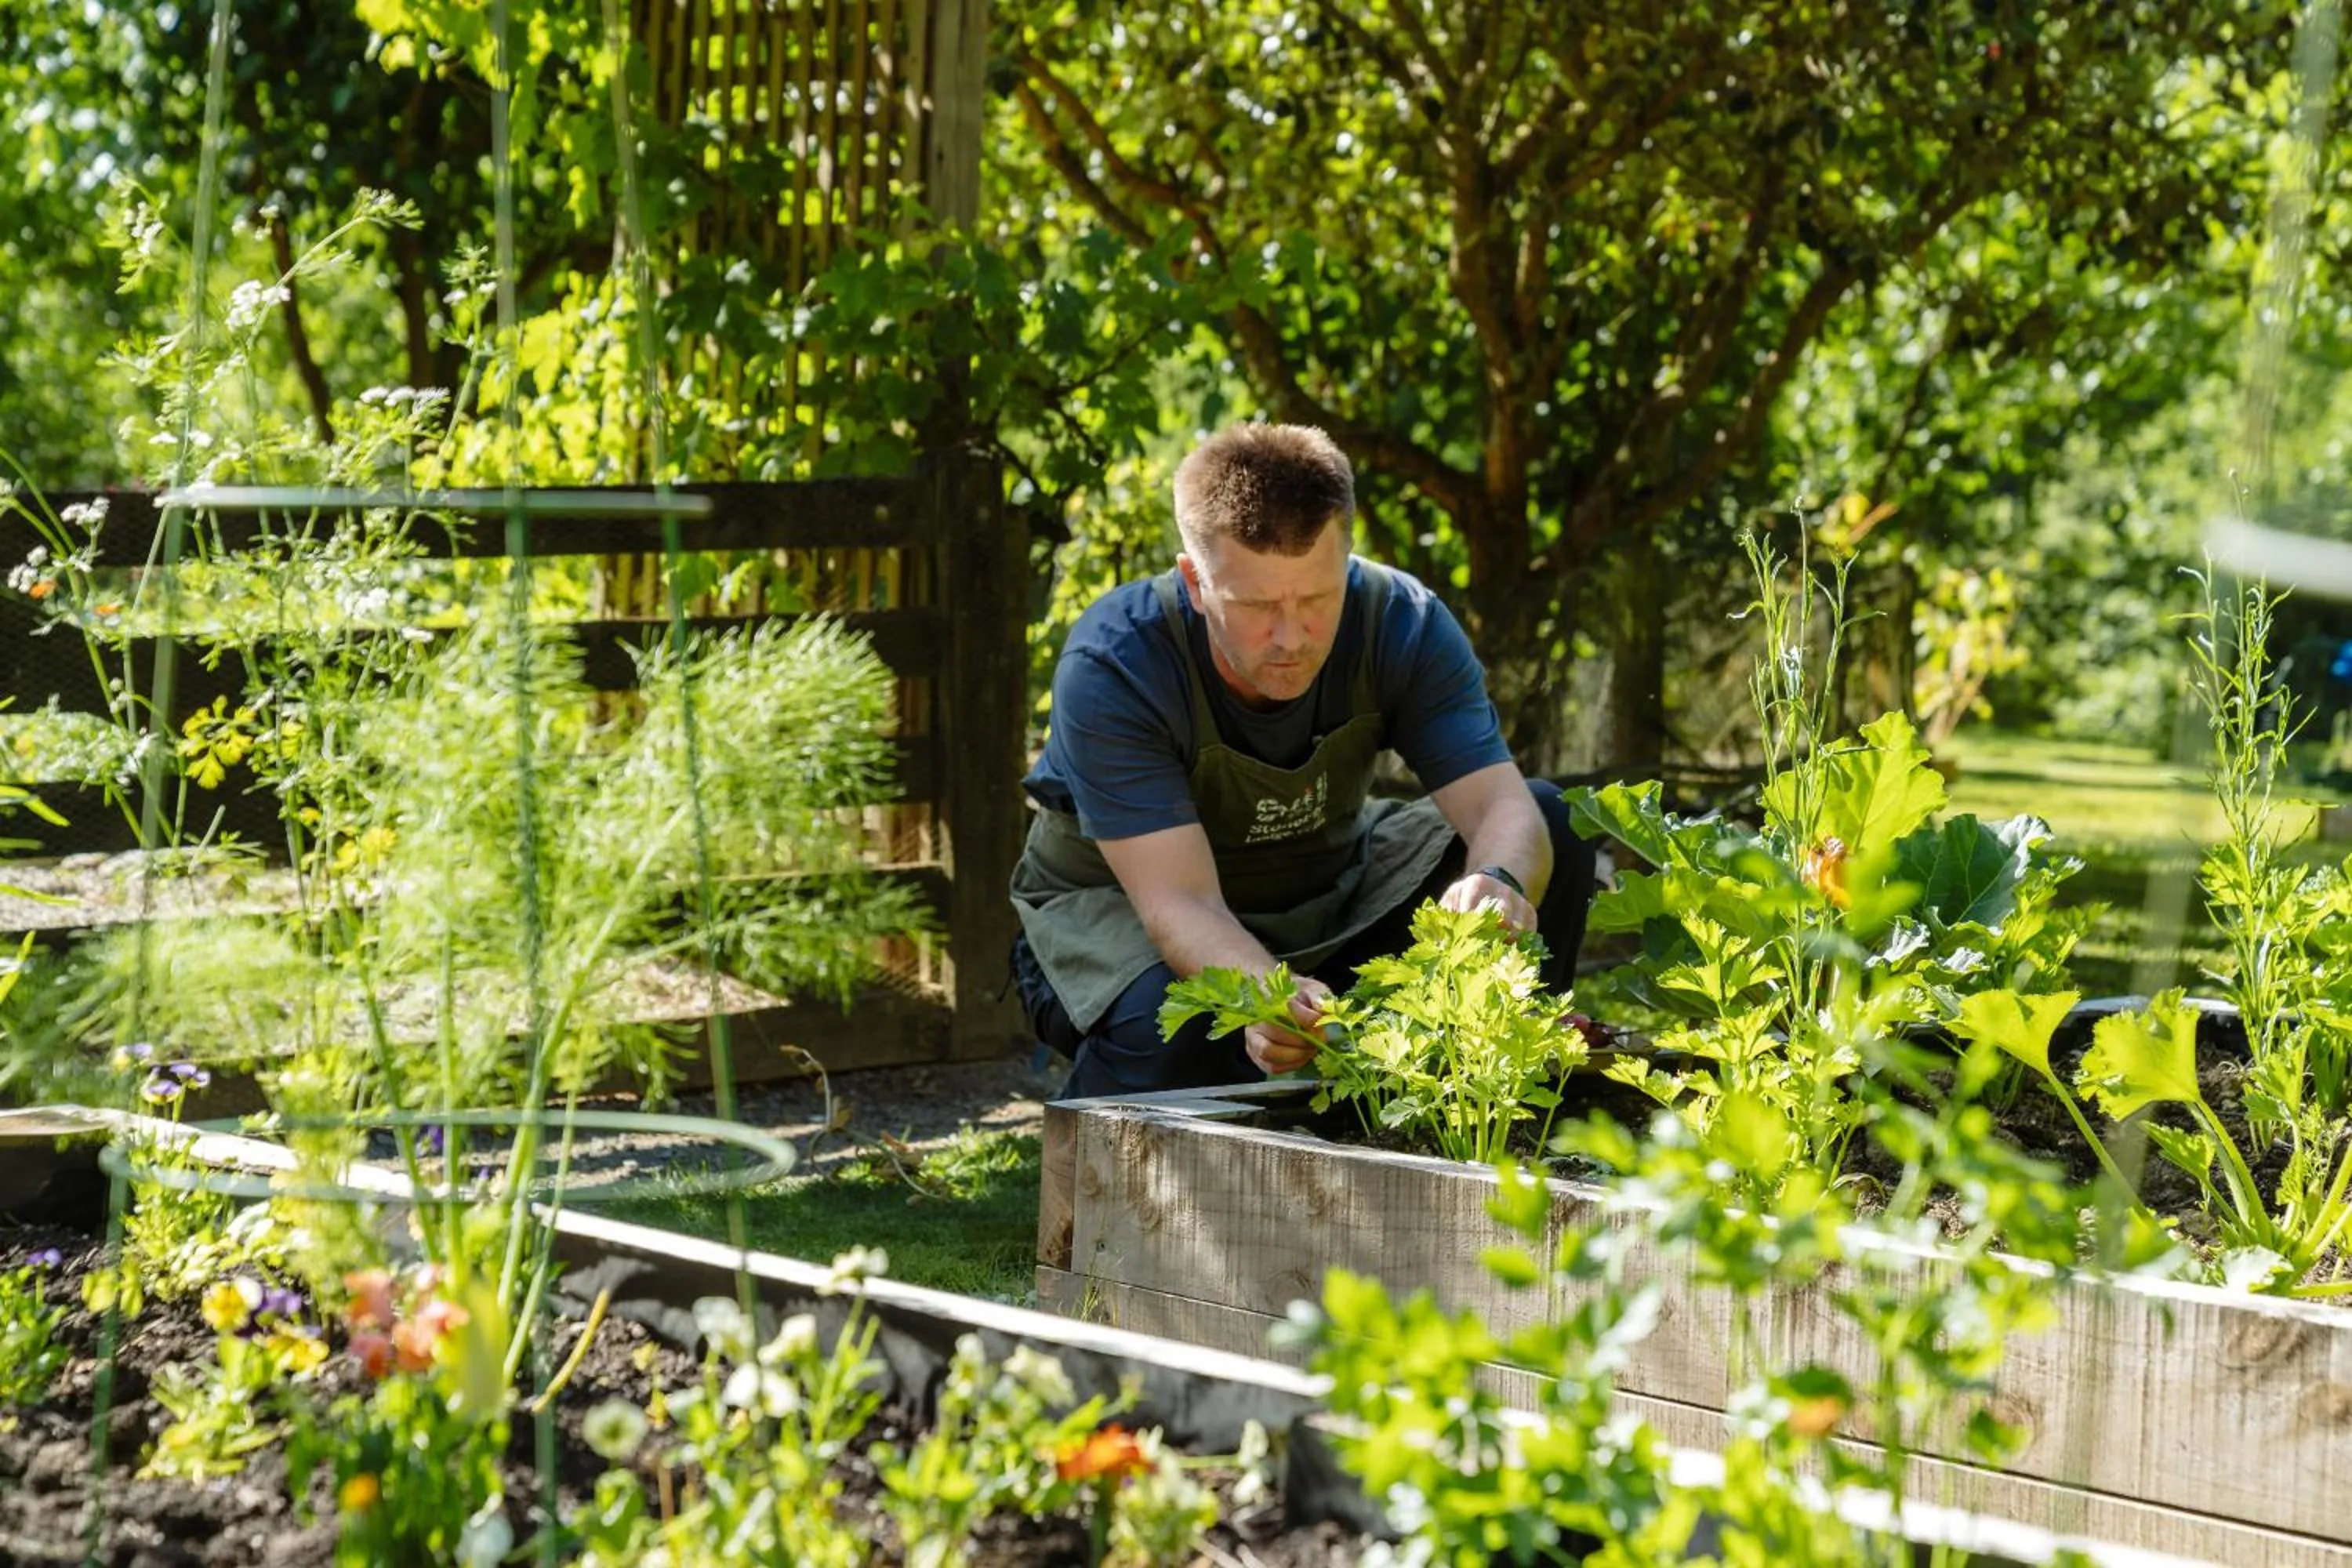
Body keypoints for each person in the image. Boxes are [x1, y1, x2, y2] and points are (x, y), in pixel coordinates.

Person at [1009, 423, 1596, 1099]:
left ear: (1346, 561)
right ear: (1195, 582)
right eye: (1257, 606)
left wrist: (1499, 879)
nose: (1291, 637)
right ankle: (1100, 1145)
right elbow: (1179, 902)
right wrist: (1267, 995)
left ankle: (1492, 1108)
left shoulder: (1403, 622)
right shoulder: (1118, 661)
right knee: (1184, 1024)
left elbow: (1501, 805)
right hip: (1122, 916)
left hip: (1330, 898)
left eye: (1317, 600)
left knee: (1554, 821)